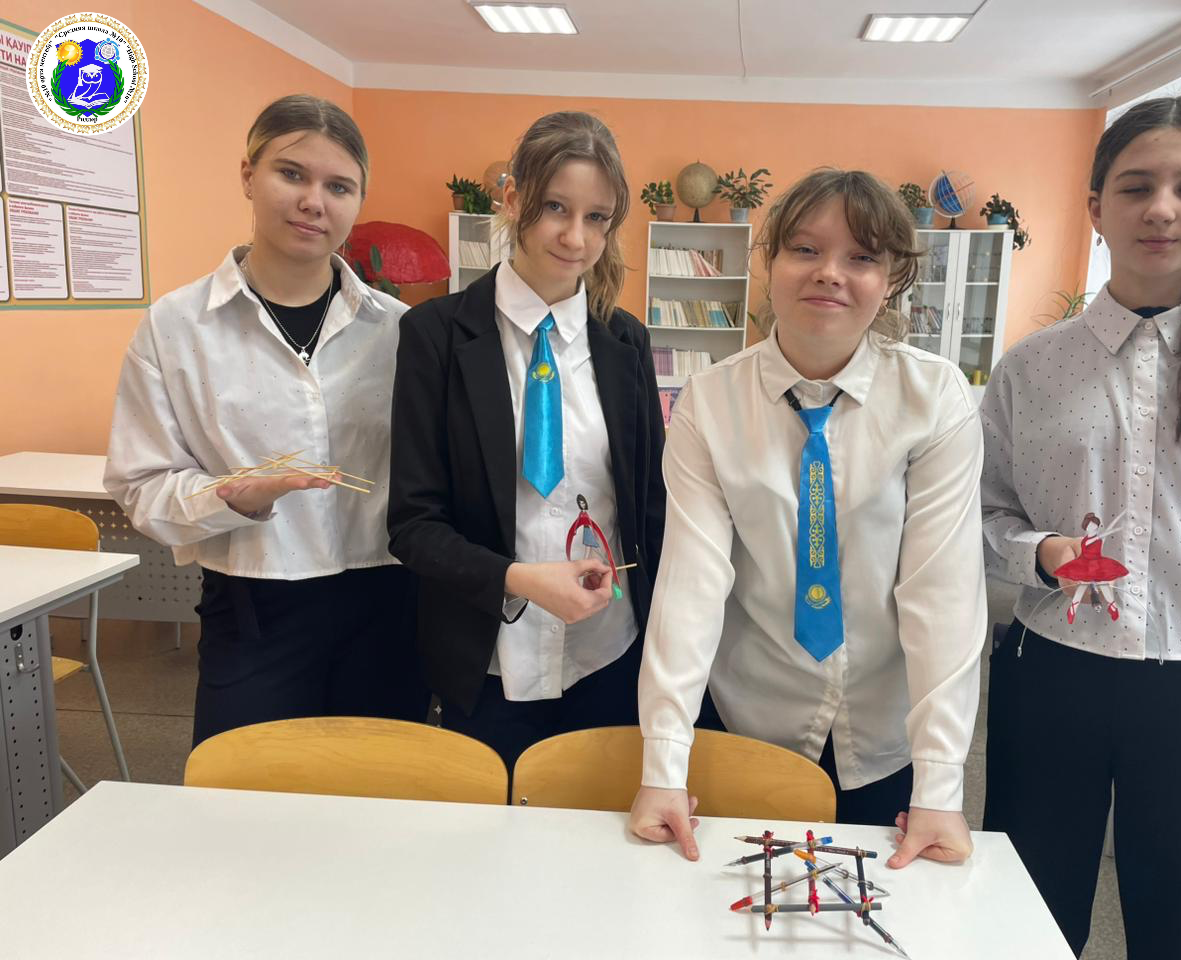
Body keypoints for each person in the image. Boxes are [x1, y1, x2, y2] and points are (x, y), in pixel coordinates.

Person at [981, 95, 1181, 959]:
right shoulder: (1032, 368)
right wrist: (1037, 553)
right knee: (1022, 923)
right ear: (1095, 207)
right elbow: (984, 510)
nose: (1162, 208)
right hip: (1051, 677)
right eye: (1137, 186)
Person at [628, 169, 986, 867]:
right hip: (748, 712)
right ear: (770, 262)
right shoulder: (710, 401)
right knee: (729, 899)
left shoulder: (933, 398)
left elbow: (943, 595)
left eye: (862, 256)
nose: (830, 273)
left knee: (874, 907)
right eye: (805, 249)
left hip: (885, 725)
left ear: (892, 278)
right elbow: (691, 585)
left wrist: (941, 786)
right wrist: (663, 766)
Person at [104, 94, 425, 746]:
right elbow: (139, 483)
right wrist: (230, 496)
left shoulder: (399, 330)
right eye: (291, 174)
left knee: (383, 785)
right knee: (244, 788)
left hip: (388, 598)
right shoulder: (178, 325)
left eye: (338, 187)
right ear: (249, 175)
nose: (313, 202)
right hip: (253, 603)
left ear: (358, 201)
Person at [387, 111, 665, 772]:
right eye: (555, 208)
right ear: (513, 199)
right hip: (487, 659)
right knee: (489, 825)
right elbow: (413, 525)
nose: (575, 237)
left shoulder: (625, 342)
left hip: (607, 652)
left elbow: (650, 506)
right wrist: (519, 579)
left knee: (598, 820)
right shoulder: (435, 337)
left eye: (597, 218)